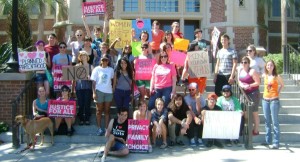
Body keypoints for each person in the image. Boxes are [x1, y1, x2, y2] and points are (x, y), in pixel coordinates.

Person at [261, 60, 284, 149]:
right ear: (266, 67)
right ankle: (267, 140)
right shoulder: (264, 76)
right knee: (267, 121)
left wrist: (278, 93)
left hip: (274, 100)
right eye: (268, 65)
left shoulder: (277, 76)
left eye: (271, 65)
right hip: (265, 100)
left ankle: (276, 142)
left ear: (273, 66)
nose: (269, 66)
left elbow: (282, 85)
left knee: (275, 121)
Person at [91, 55, 114, 136]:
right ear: (100, 60)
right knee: (99, 110)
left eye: (106, 60)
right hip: (99, 91)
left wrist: (113, 90)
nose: (104, 62)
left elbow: (113, 80)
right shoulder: (96, 69)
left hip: (108, 92)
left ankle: (106, 129)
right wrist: (94, 92)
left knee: (107, 111)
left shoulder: (111, 70)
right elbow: (93, 82)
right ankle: (99, 128)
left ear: (108, 61)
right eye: (103, 60)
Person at [238, 56, 261, 135]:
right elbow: (238, 80)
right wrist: (241, 84)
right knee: (244, 112)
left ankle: (256, 130)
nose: (244, 64)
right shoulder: (240, 70)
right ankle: (248, 127)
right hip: (244, 94)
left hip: (253, 93)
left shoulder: (252, 71)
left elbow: (258, 82)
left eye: (245, 62)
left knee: (254, 112)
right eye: (242, 62)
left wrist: (249, 85)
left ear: (248, 63)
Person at [73, 51, 93, 125]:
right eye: (82, 56)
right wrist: (73, 90)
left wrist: (90, 78)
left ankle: (87, 119)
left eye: (85, 55)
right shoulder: (77, 66)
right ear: (80, 57)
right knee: (81, 104)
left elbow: (94, 79)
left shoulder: (91, 66)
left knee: (87, 104)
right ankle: (81, 119)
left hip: (88, 87)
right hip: (79, 87)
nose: (83, 57)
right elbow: (74, 79)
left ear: (87, 57)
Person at [184, 82, 206, 146]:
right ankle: (192, 138)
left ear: (197, 89)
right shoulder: (186, 98)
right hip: (190, 114)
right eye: (189, 90)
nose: (191, 91)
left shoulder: (201, 98)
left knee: (202, 117)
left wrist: (197, 101)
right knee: (190, 118)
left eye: (193, 89)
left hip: (197, 113)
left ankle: (200, 138)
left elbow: (199, 111)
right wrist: (195, 118)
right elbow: (189, 110)